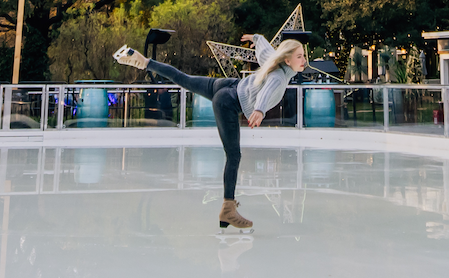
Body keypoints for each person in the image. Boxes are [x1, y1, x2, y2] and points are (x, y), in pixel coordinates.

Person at [114, 33, 307, 230]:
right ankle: (228, 209)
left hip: (228, 85)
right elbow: (268, 90)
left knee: (183, 79)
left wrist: (256, 38)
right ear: (287, 59)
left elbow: (265, 50)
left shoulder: (273, 62)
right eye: (299, 56)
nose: (304, 60)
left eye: (303, 55)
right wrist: (259, 109)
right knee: (234, 156)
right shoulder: (279, 76)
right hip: (228, 102)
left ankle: (145, 62)